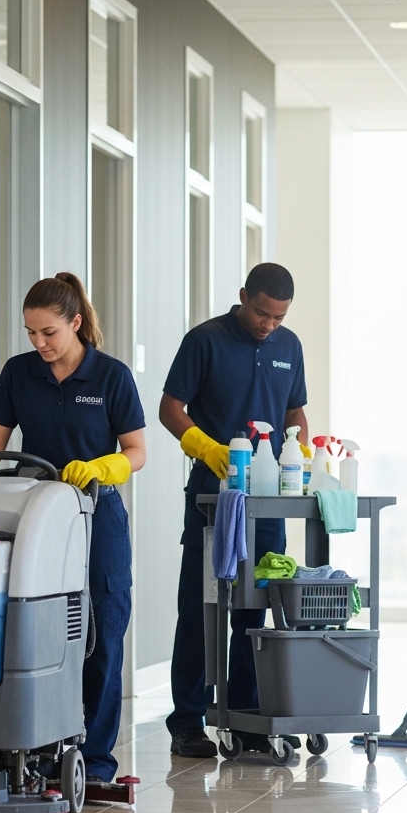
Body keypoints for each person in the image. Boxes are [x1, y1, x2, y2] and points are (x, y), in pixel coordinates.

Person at [0, 272, 146, 782]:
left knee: (102, 633)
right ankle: (38, 748)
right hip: (35, 517)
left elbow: (137, 452)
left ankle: (97, 760)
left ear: (76, 323)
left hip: (96, 514)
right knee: (37, 629)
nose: (38, 343)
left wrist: (104, 468)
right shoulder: (19, 374)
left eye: (49, 333)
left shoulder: (112, 377)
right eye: (31, 333)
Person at [159, 262, 309, 758]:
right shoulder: (204, 340)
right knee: (201, 608)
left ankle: (247, 718)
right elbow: (170, 408)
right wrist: (205, 446)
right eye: (262, 313)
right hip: (212, 499)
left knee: (257, 606)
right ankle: (187, 721)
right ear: (244, 296)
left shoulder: (289, 348)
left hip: (267, 503)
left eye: (279, 317)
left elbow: (294, 413)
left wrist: (301, 450)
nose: (269, 325)